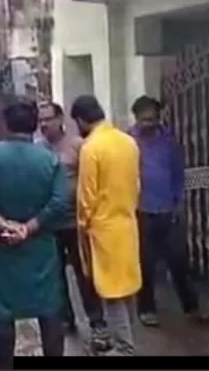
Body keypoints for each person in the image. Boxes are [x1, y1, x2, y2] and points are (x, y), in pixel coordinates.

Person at [0, 97, 70, 369]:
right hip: (40, 247)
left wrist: (4, 224)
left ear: (6, 124)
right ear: (35, 124)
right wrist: (30, 227)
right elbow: (60, 201)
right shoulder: (49, 160)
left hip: (2, 247)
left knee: (3, 312)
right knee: (49, 309)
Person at [129, 96, 209, 328]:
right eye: (144, 119)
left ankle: (191, 307)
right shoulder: (128, 142)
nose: (148, 123)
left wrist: (179, 203)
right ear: (136, 118)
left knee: (179, 260)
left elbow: (177, 175)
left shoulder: (169, 142)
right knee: (145, 263)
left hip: (168, 209)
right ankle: (146, 309)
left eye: (152, 119)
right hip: (141, 210)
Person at [69, 95, 143, 355]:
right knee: (127, 288)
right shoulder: (128, 142)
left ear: (81, 120)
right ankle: (128, 339)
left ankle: (124, 347)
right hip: (127, 223)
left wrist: (82, 225)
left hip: (103, 229)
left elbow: (86, 196)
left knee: (111, 291)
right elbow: (136, 185)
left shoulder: (91, 148)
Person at [36, 101, 110, 347]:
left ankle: (97, 322)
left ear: (61, 120)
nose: (44, 124)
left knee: (84, 274)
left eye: (49, 118)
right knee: (55, 275)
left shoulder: (79, 145)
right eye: (41, 119)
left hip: (76, 223)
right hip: (49, 223)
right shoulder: (37, 149)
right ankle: (65, 319)